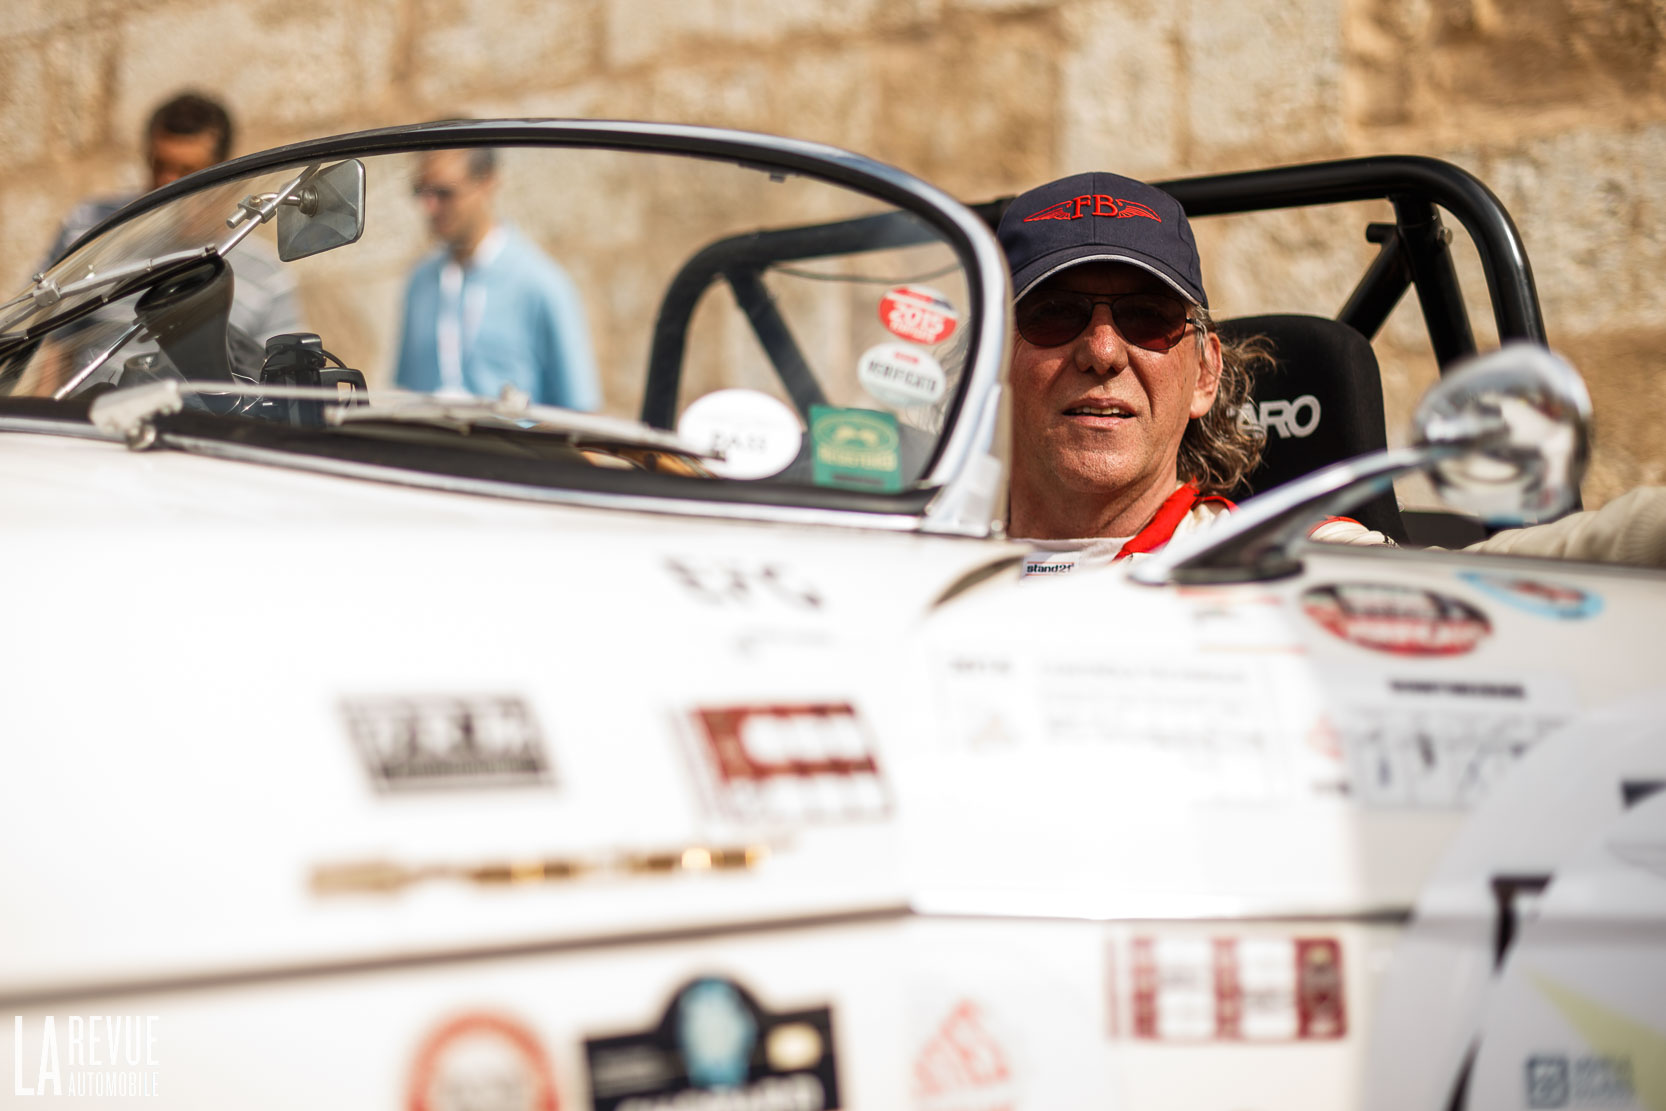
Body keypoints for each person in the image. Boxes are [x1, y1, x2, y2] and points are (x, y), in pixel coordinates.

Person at [997, 171, 1666, 574]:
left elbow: (1489, 581)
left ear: (1204, 373)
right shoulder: (906, 546)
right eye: (1055, 314)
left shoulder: (1277, 562)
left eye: (1146, 318)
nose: (1104, 351)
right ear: (993, 359)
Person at [38, 90, 303, 347]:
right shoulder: (93, 226)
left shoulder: (265, 274)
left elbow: (279, 381)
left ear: (221, 176)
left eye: (188, 172)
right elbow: (52, 342)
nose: (168, 184)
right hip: (93, 390)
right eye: (159, 166)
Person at [393, 148, 599, 410]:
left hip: (511, 450)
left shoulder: (542, 285)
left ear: (487, 182)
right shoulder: (419, 282)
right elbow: (405, 391)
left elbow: (579, 409)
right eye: (421, 191)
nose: (430, 207)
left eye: (445, 193)